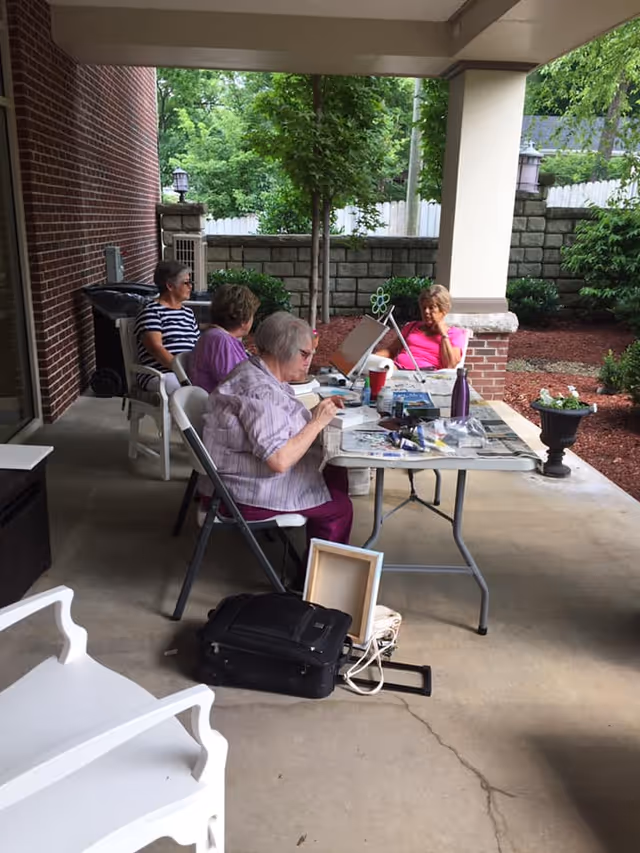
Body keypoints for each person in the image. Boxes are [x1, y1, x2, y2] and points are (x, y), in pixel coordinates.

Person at [202, 311, 353, 549]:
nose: (309, 362)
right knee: (340, 508)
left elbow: (273, 422)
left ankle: (319, 550)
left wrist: (315, 414)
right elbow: (279, 460)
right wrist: (316, 422)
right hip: (241, 492)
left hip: (237, 476)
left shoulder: (254, 370)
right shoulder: (261, 392)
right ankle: (309, 582)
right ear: (282, 348)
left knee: (336, 470)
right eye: (304, 354)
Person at [134, 260, 200, 394]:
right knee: (175, 384)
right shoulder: (152, 311)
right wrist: (183, 373)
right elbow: (156, 349)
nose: (190, 287)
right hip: (160, 374)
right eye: (186, 282)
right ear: (170, 285)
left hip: (188, 372)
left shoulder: (188, 313)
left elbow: (198, 346)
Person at [375, 284, 465, 370]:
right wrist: (371, 357)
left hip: (426, 375)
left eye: (431, 307)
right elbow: (391, 351)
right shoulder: (411, 327)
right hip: (397, 370)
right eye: (424, 307)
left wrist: (443, 334)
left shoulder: (455, 334)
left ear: (444, 310)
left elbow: (450, 365)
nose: (426, 311)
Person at [190, 284, 259, 393]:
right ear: (243, 320)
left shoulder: (219, 337)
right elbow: (233, 383)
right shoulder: (219, 340)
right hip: (220, 406)